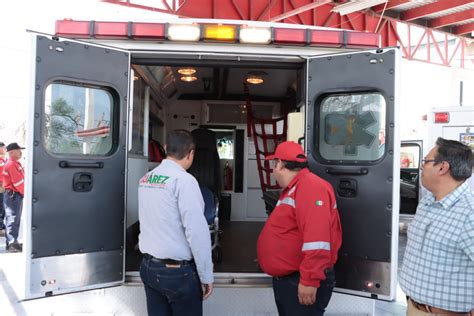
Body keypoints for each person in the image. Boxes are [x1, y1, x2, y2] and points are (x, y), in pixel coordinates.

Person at [257, 141, 342, 316]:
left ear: (280, 164)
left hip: (299, 281)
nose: (273, 171)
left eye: (274, 165)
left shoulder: (310, 186)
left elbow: (317, 240)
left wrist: (309, 280)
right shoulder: (297, 187)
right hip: (290, 280)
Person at [138, 130, 213, 316]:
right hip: (175, 274)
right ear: (191, 153)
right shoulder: (184, 181)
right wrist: (206, 275)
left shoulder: (146, 179)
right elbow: (197, 232)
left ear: (165, 149)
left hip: (148, 268)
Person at [399, 137, 473, 315]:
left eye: (425, 161)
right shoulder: (427, 202)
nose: (421, 166)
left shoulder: (469, 214)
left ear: (442, 167)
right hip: (414, 307)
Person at [2, 142, 25, 252]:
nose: (21, 152)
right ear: (12, 152)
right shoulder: (12, 164)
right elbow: (18, 182)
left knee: (14, 218)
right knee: (12, 218)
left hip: (14, 194)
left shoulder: (14, 163)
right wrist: (26, 193)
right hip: (13, 194)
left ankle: (13, 242)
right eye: (19, 150)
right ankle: (12, 243)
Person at [0, 142, 6, 236]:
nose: (5, 149)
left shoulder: (4, 160)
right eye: (4, 148)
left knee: (3, 207)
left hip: (5, 185)